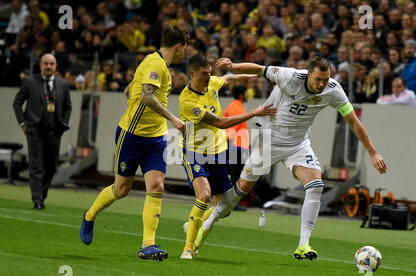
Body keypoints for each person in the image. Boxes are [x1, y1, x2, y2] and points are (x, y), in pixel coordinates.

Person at [193, 57, 387, 261]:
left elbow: (354, 122)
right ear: (308, 73)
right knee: (241, 190)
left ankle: (303, 244)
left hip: (298, 144)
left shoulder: (333, 89)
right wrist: (233, 66)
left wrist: (373, 152)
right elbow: (260, 70)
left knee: (315, 185)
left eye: (326, 79)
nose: (322, 84)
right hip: (268, 139)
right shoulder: (290, 76)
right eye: (318, 79)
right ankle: (207, 224)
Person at [80, 26, 190, 262]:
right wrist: (173, 119)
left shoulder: (157, 62)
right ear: (179, 46)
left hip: (156, 138)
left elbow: (143, 83)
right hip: (132, 135)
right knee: (122, 189)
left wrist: (132, 82)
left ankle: (147, 245)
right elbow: (147, 96)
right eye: (185, 47)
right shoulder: (156, 64)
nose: (185, 53)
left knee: (157, 186)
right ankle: (89, 215)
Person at [178, 54, 276, 259]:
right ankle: (188, 248)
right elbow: (221, 123)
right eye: (204, 74)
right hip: (195, 152)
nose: (208, 77)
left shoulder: (210, 83)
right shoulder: (188, 101)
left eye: (210, 73)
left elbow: (229, 79)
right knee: (204, 196)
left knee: (224, 208)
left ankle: (192, 223)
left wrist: (254, 75)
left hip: (218, 152)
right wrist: (254, 113)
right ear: (192, 73)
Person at [12, 53, 72, 210]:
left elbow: (68, 107)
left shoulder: (63, 84)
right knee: (37, 166)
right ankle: (37, 199)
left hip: (54, 131)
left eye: (52, 64)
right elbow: (17, 103)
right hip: (35, 130)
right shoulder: (30, 82)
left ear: (56, 66)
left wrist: (63, 124)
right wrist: (23, 123)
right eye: (46, 63)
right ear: (40, 66)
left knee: (51, 167)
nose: (49, 67)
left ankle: (42, 195)